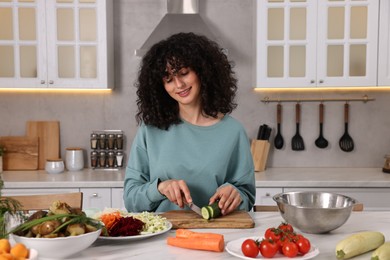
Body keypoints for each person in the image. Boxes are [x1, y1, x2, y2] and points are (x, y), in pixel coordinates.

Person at [123, 32, 255, 215]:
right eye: (168, 80)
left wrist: (237, 194)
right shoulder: (150, 131)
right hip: (162, 237)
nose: (178, 84)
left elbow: (247, 198)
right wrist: (159, 188)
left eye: (184, 73)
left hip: (217, 234)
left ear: (202, 71)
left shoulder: (233, 131)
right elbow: (131, 200)